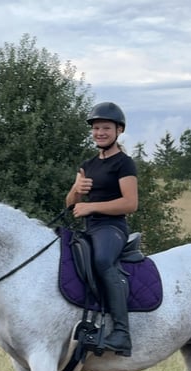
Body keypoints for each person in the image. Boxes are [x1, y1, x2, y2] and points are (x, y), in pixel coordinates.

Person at [65, 102, 138, 357]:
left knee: (103, 260)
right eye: (96, 128)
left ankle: (121, 333)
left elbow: (130, 203)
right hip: (89, 228)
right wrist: (77, 191)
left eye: (106, 128)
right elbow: (70, 203)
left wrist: (91, 206)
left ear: (118, 130)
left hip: (112, 228)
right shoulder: (87, 164)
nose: (100, 133)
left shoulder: (124, 163)